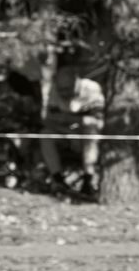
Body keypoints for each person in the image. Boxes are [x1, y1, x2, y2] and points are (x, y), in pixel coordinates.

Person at [39, 67, 104, 197]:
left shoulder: (92, 89)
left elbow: (98, 122)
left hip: (86, 133)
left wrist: (71, 120)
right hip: (66, 132)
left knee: (90, 133)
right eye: (60, 89)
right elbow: (48, 119)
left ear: (77, 81)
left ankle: (88, 181)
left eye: (67, 89)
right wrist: (69, 132)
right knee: (45, 135)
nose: (63, 94)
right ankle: (58, 180)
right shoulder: (54, 90)